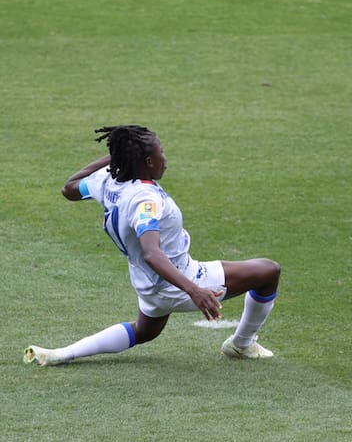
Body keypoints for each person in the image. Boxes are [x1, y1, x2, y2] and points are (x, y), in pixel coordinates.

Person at [24, 125, 281, 366]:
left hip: (145, 283)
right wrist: (193, 289)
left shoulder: (107, 180)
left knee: (144, 331)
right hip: (178, 278)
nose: (165, 160)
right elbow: (151, 252)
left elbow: (69, 188)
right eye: (161, 153)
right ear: (148, 162)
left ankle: (60, 354)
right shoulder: (144, 200)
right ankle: (242, 344)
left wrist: (115, 158)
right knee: (268, 271)